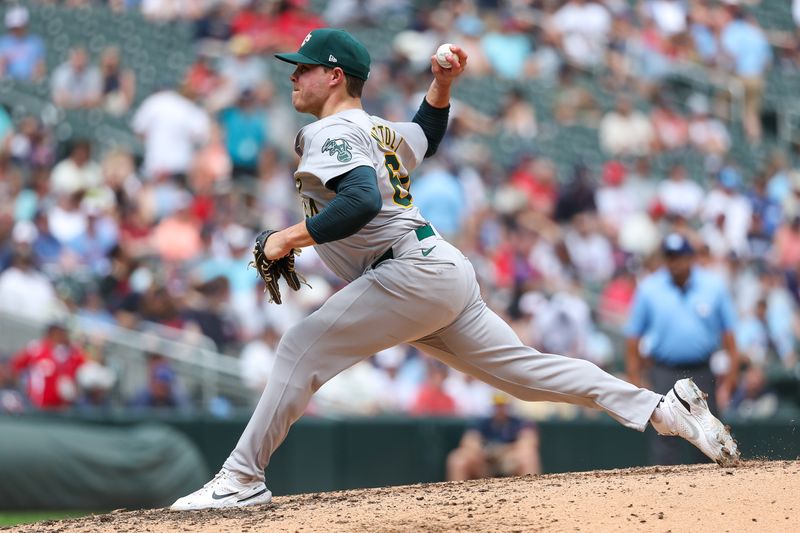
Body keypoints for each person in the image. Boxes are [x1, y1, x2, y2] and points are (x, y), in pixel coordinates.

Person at [170, 29, 739, 511]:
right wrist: (441, 85)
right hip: (438, 271)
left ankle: (240, 480)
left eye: (305, 69)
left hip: (408, 273)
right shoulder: (379, 132)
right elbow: (427, 135)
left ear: (336, 76)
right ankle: (664, 408)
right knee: (529, 376)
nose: (294, 77)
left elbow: (362, 201)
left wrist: (283, 240)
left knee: (299, 347)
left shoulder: (332, 131)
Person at [625, 233, 740, 466]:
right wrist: (636, 377)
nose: (675, 262)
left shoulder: (712, 286)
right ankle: (667, 498)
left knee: (709, 434)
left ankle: (717, 496)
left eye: (680, 256)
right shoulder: (650, 288)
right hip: (664, 370)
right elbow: (632, 336)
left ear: (691, 257)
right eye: (670, 257)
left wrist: (731, 379)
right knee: (664, 435)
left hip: (702, 372)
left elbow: (729, 335)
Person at [446, 393, 541, 481]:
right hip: (484, 463)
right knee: (458, 458)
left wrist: (504, 452)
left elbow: (529, 442)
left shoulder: (520, 422)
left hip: (510, 462)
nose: (500, 409)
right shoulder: (482, 422)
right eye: (497, 406)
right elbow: (468, 442)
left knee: (528, 456)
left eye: (503, 405)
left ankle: (533, 496)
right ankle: (457, 497)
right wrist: (486, 453)